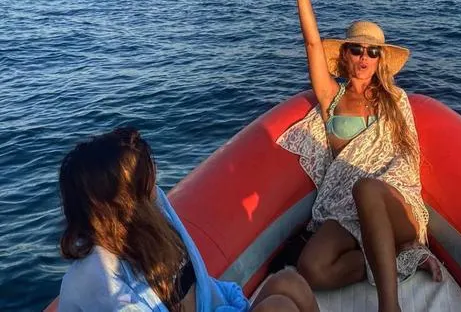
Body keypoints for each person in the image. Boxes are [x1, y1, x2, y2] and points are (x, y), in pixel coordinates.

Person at [277, 0, 443, 312]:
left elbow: (407, 161)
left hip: (395, 204)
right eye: (357, 50)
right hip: (345, 207)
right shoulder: (331, 98)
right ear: (345, 55)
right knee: (311, 268)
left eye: (373, 52)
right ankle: (393, 256)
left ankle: (389, 306)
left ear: (381, 59)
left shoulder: (395, 100)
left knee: (366, 186)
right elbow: (312, 43)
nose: (364, 58)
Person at [57, 126, 319, 312]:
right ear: (125, 202)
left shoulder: (157, 221)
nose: (154, 180)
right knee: (277, 307)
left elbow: (203, 287)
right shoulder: (97, 279)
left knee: (289, 282)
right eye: (145, 180)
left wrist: (233, 301)